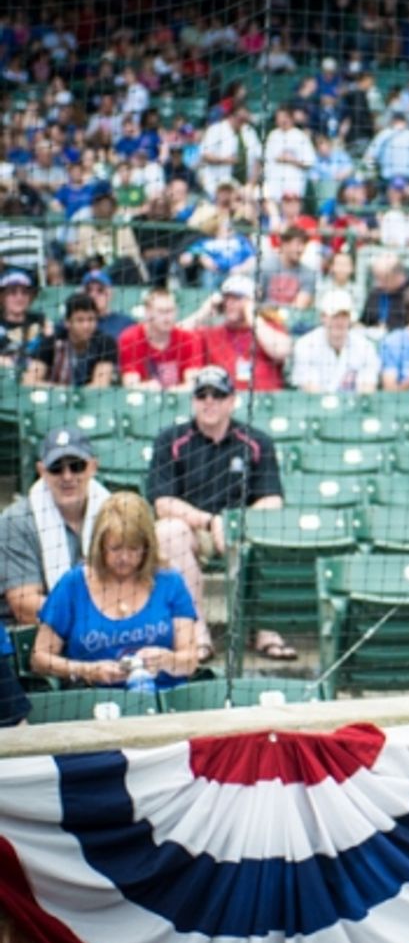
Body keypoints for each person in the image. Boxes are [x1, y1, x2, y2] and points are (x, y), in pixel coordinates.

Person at [147, 366, 289, 661]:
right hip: (194, 531)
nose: (209, 401)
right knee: (168, 531)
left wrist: (234, 523)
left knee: (270, 533)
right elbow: (163, 503)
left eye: (218, 395)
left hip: (241, 528)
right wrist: (211, 521)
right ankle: (196, 632)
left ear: (231, 400)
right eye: (202, 395)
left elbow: (273, 501)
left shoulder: (257, 441)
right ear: (193, 400)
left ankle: (262, 627)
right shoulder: (170, 440)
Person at [30, 491, 198, 689]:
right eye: (116, 548)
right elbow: (39, 659)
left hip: (164, 698)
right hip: (95, 701)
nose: (125, 558)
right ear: (100, 545)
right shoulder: (73, 584)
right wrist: (87, 670)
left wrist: (167, 660)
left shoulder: (170, 581)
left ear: (147, 546)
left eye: (134, 549)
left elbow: (190, 660)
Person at [0, 429, 110, 628]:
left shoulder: (114, 512)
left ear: (93, 467)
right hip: (37, 633)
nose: (67, 477)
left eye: (76, 466)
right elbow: (25, 606)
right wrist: (94, 614)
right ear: (41, 470)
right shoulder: (16, 520)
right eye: (56, 467)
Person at [193, 273, 293, 392]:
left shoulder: (270, 327)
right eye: (226, 298)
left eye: (236, 298)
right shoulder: (211, 333)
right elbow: (174, 336)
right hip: (223, 403)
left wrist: (252, 315)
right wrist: (203, 312)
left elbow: (281, 351)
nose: (229, 303)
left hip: (265, 401)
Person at [291, 288, 381, 393]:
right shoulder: (305, 345)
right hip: (314, 407)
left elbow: (366, 391)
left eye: (344, 316)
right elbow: (312, 391)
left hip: (353, 407)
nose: (339, 321)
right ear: (323, 317)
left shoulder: (365, 347)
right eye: (334, 316)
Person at [23, 291, 118, 388]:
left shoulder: (106, 343)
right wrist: (65, 392)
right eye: (80, 320)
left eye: (91, 319)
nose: (86, 326)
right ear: (67, 323)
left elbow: (100, 385)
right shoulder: (51, 342)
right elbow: (29, 380)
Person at [118, 286, 203, 390]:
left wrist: (173, 391)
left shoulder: (189, 339)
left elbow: (193, 384)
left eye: (170, 311)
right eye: (161, 312)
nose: (167, 318)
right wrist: (150, 389)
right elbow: (131, 384)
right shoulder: (130, 338)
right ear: (148, 312)